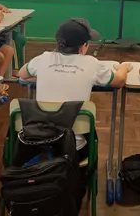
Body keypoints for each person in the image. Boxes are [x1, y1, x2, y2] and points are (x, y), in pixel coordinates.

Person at [17, 18, 130, 159]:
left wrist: (46, 75)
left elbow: (22, 74)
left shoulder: (43, 58)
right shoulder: (91, 64)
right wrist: (123, 68)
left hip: (36, 142)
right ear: (83, 46)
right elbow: (119, 81)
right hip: (73, 148)